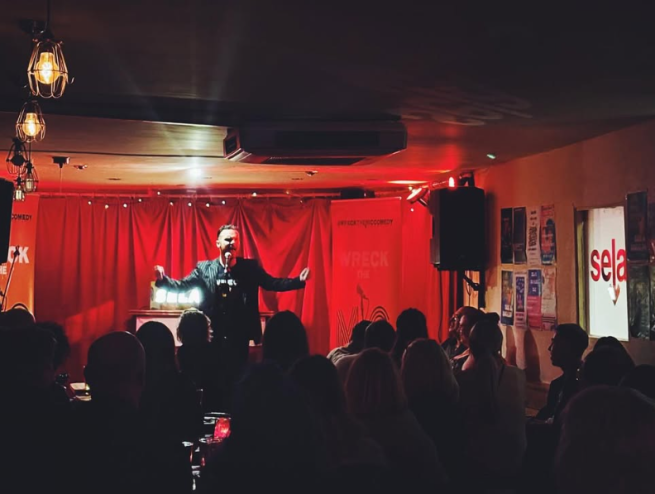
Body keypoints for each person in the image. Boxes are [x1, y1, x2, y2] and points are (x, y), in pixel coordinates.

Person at [154, 224, 310, 375]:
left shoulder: (249, 268)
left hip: (239, 336)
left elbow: (272, 283)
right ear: (218, 243)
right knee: (214, 378)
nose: (232, 243)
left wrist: (297, 281)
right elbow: (182, 285)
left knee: (238, 377)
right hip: (212, 336)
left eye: (235, 240)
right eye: (228, 239)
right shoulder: (205, 269)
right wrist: (163, 280)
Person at [536, 323, 589, 423]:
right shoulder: (558, 384)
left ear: (568, 347)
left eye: (555, 343)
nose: (549, 348)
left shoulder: (580, 384)